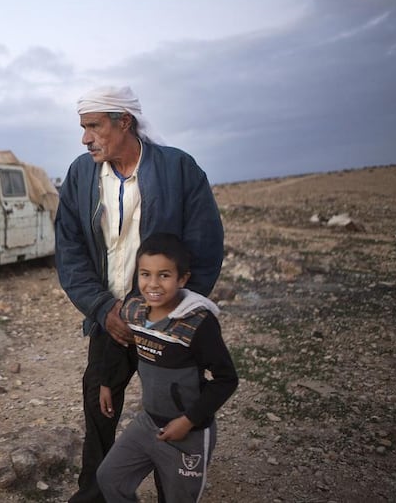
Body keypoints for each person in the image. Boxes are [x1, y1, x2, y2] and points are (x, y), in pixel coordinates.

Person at [55, 85, 224, 503]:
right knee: (99, 410)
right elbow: (70, 249)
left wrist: (169, 314)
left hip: (167, 327)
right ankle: (95, 494)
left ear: (124, 122)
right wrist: (102, 308)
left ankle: (174, 491)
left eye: (93, 126)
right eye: (83, 127)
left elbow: (204, 247)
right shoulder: (79, 175)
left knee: (171, 411)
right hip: (108, 319)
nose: (85, 138)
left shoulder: (179, 169)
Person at [96, 233, 238, 502]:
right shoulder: (135, 309)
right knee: (110, 477)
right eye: (145, 274)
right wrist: (107, 382)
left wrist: (188, 421)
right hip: (148, 422)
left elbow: (226, 379)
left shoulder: (198, 323)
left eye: (164, 275)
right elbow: (118, 343)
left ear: (182, 279)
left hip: (188, 435)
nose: (153, 284)